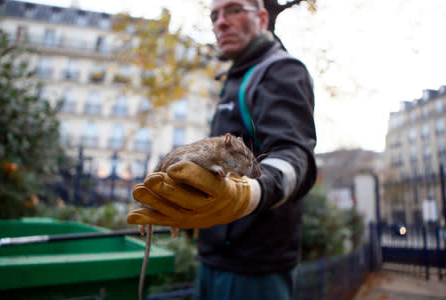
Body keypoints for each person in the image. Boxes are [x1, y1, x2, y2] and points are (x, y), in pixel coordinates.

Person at [127, 0, 317, 299]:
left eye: (234, 10)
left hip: (255, 267)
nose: (220, 22)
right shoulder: (235, 76)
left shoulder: (280, 70)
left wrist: (249, 193)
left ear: (263, 17)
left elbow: (295, 156)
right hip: (213, 257)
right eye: (214, 15)